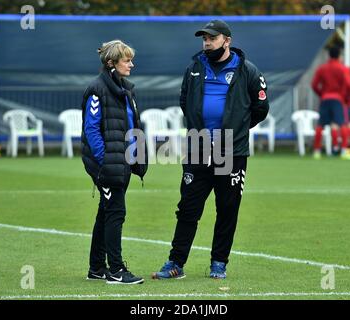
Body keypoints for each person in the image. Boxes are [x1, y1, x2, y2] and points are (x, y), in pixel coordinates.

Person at [152, 20, 269, 280]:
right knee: (188, 208)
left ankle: (219, 262)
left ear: (226, 41)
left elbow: (261, 108)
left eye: (211, 38)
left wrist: (237, 129)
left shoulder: (248, 71)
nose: (206, 43)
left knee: (227, 209)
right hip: (198, 146)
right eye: (204, 39)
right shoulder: (194, 68)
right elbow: (185, 101)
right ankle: (175, 263)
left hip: (231, 150)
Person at [81, 40, 147, 284]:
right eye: (126, 60)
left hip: (123, 162)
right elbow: (92, 129)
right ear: (111, 63)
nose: (132, 64)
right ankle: (116, 270)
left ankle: (97, 268)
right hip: (109, 164)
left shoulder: (126, 88)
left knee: (106, 212)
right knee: (116, 212)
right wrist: (105, 161)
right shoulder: (97, 89)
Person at [311, 46, 350, 160]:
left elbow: (314, 85)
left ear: (329, 55)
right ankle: (344, 150)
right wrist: (345, 97)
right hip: (338, 99)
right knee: (342, 124)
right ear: (339, 56)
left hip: (325, 99)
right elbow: (349, 85)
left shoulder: (322, 68)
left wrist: (322, 94)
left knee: (320, 125)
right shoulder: (343, 69)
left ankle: (316, 151)